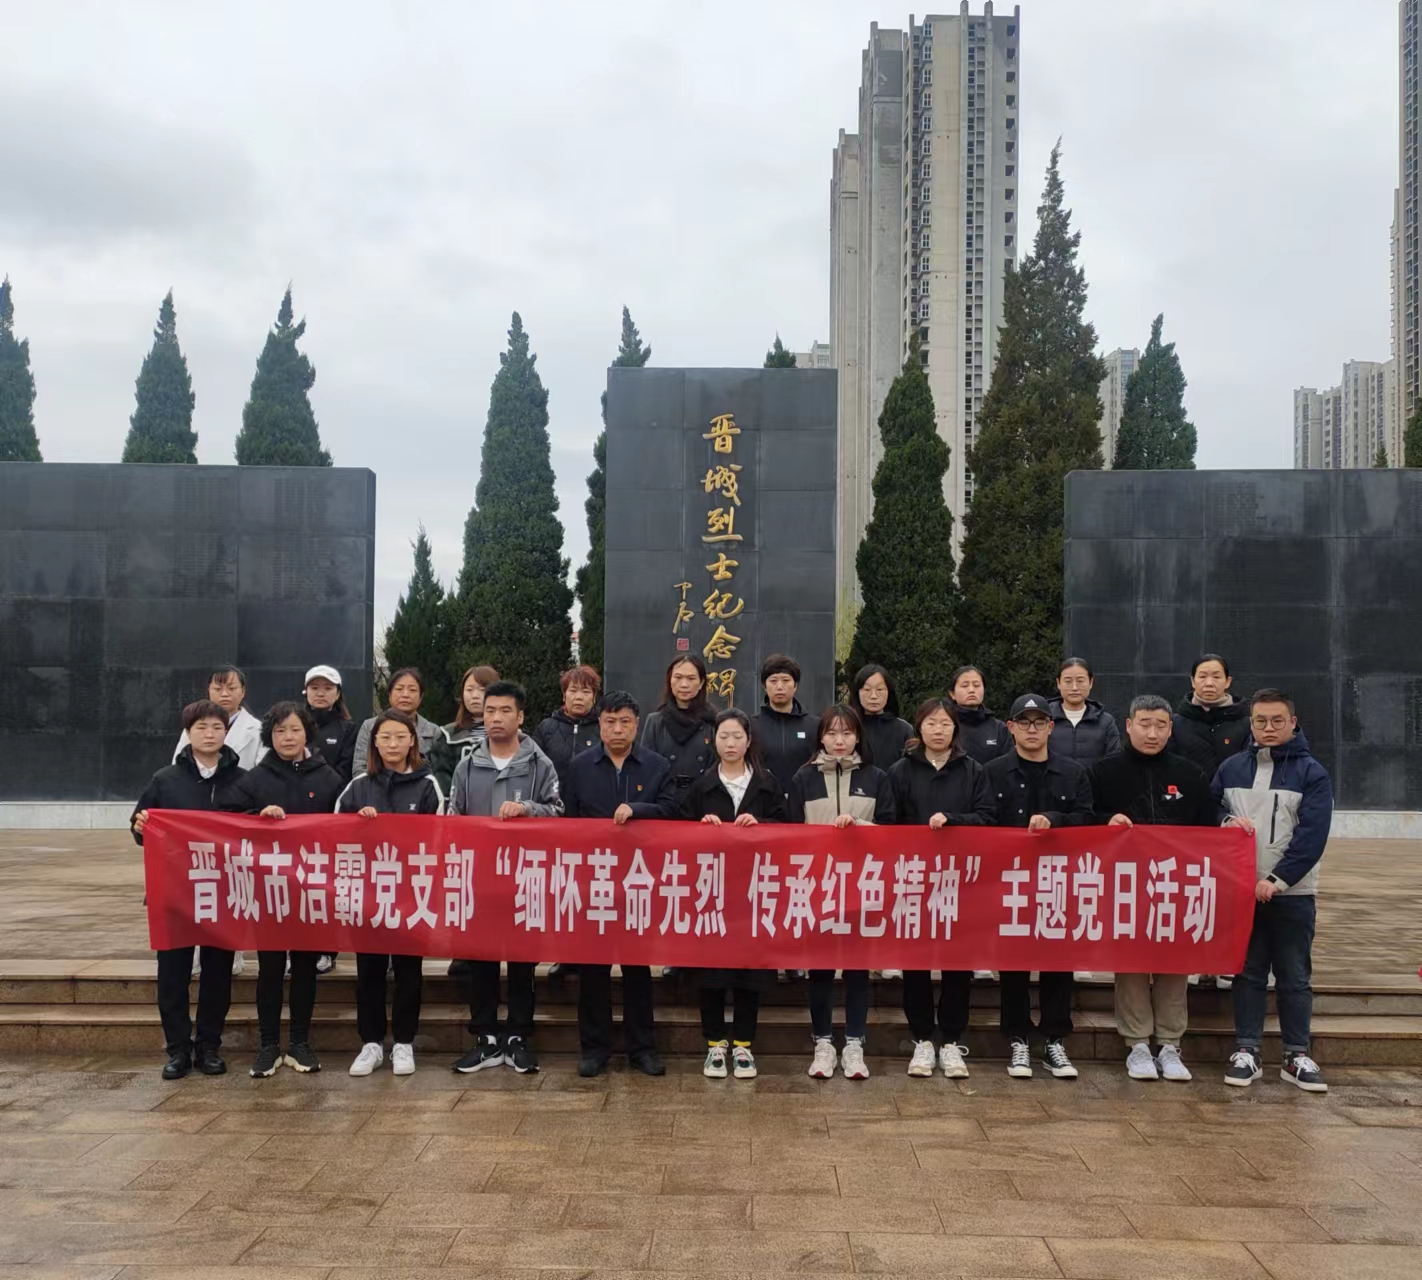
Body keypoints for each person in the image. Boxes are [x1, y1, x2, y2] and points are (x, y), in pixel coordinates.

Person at [1089, 695, 1222, 1083]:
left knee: (1173, 962)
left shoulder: (1190, 773)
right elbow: (1083, 819)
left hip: (1174, 884)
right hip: (1124, 885)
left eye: (1160, 726)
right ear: (1128, 725)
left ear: (1170, 729)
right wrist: (1105, 821)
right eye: (1144, 724)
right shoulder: (1102, 772)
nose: (1152, 733)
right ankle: (1137, 1044)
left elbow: (1209, 829)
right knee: (1131, 963)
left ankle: (1169, 1043)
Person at [1214, 689, 1333, 1094]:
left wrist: (1277, 880)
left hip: (1292, 894)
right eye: (1260, 721)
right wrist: (1226, 821)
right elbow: (1209, 809)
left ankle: (1296, 1054)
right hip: (1240, 891)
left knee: (1294, 975)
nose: (1268, 728)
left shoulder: (1311, 773)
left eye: (1277, 720)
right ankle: (1246, 1049)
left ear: (1293, 723)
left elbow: (1312, 836)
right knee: (1247, 973)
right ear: (1250, 724)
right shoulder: (1231, 768)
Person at [218, 701, 345, 1077]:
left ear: (307, 733)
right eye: (279, 731)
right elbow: (228, 821)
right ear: (269, 736)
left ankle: (301, 1043)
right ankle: (268, 1045)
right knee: (270, 969)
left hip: (311, 888)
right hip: (269, 889)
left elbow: (344, 825)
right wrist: (258, 818)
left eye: (294, 730)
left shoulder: (328, 778)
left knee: (305, 967)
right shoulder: (255, 778)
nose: (288, 737)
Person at [447, 680, 562, 1075]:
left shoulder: (539, 764)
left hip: (524, 878)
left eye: (505, 711)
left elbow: (558, 811)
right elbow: (453, 819)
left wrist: (528, 809)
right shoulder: (467, 765)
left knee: (522, 962)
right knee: (480, 960)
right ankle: (485, 1038)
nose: (496, 718)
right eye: (490, 711)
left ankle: (518, 1037)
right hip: (480, 879)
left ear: (521, 716)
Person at [563, 690, 678, 1077]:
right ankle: (595, 1048)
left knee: (637, 971)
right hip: (593, 881)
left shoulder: (656, 765)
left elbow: (672, 810)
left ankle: (642, 1048)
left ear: (637, 725)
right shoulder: (579, 766)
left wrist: (637, 810)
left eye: (625, 722)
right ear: (599, 725)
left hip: (638, 882)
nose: (617, 729)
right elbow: (567, 823)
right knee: (593, 971)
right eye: (610, 722)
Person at [132, 699, 246, 1080]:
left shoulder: (243, 780)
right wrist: (139, 826)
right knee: (173, 974)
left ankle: (209, 1047)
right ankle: (178, 1049)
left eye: (217, 727)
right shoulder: (165, 779)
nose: (209, 734)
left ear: (226, 732)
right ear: (188, 733)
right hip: (175, 892)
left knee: (218, 973)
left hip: (223, 891)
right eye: (201, 727)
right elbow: (140, 827)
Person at [986, 693, 1094, 1081]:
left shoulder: (1073, 772)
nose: (1031, 729)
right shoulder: (993, 772)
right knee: (1012, 963)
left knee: (1057, 963)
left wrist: (1054, 820)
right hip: (1009, 881)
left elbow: (1087, 819)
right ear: (1010, 727)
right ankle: (1018, 1038)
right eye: (1023, 722)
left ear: (1051, 727)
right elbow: (983, 821)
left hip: (1058, 881)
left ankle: (1054, 1039)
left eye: (1039, 722)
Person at [887, 699, 995, 1080]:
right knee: (915, 963)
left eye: (945, 723)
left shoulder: (973, 770)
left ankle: (950, 1040)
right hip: (914, 879)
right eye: (931, 723)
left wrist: (953, 820)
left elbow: (988, 818)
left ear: (955, 729)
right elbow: (888, 822)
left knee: (957, 963)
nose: (938, 730)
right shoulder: (901, 771)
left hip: (959, 880)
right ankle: (922, 1038)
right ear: (919, 728)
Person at [788, 704, 896, 1080]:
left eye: (847, 733)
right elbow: (789, 832)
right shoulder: (804, 778)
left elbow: (892, 829)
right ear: (820, 737)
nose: (839, 740)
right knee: (819, 969)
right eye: (832, 733)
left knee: (857, 969)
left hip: (862, 885)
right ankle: (822, 1043)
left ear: (857, 737)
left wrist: (861, 826)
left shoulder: (876, 777)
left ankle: (854, 1043)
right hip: (818, 885)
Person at [679, 708, 786, 1081]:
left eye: (737, 736)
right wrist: (701, 827)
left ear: (748, 740)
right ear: (714, 741)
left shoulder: (767, 784)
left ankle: (743, 1046)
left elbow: (788, 829)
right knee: (710, 972)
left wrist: (762, 825)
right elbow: (679, 834)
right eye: (724, 736)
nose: (730, 743)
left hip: (754, 893)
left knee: (749, 973)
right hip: (711, 893)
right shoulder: (702, 786)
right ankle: (714, 1045)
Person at [336, 710, 443, 1078]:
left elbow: (439, 838)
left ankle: (403, 1042)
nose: (393, 744)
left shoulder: (428, 786)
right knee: (369, 971)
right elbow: (333, 835)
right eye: (385, 737)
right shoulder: (357, 786)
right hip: (368, 894)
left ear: (413, 741)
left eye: (400, 736)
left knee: (408, 971)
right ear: (375, 743)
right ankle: (370, 1043)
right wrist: (358, 826)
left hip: (411, 894)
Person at [1172, 653, 1252, 991]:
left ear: (1228, 681)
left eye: (1216, 676)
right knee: (1189, 891)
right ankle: (1192, 960)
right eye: (1202, 676)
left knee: (1228, 894)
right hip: (1188, 820)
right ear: (1192, 680)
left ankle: (1225, 961)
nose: (1209, 682)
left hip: (1232, 820)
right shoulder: (1176, 721)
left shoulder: (1246, 722)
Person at [639, 654, 717, 796]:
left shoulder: (713, 722)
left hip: (702, 799)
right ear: (669, 680)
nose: (684, 684)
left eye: (691, 678)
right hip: (664, 798)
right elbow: (647, 766)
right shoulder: (655, 722)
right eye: (678, 677)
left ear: (701, 683)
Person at [750, 653, 818, 797]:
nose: (780, 686)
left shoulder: (814, 725)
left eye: (786, 680)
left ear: (795, 685)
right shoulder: (752, 726)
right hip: (763, 800)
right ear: (764, 686)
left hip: (804, 799)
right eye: (773, 681)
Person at [352, 667, 442, 776]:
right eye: (399, 689)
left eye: (412, 690)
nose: (405, 695)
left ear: (420, 697)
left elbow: (438, 772)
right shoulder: (369, 726)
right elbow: (359, 769)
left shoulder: (433, 731)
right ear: (389, 695)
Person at [173, 665, 265, 770]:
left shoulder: (258, 730)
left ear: (243, 691)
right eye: (218, 689)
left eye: (231, 688)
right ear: (209, 690)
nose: (225, 694)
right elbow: (177, 766)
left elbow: (262, 773)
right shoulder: (194, 725)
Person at [431, 665, 500, 797]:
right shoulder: (447, 736)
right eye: (469, 690)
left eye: (482, 690)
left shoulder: (510, 735)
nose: (475, 696)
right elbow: (441, 779)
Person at [533, 664, 602, 792]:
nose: (579, 697)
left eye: (586, 691)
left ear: (594, 697)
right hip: (553, 799)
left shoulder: (603, 728)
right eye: (573, 691)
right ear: (564, 695)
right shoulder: (546, 728)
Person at [1048, 657, 1120, 766]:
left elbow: (1114, 760)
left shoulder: (1106, 722)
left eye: (1080, 681)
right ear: (1058, 683)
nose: (1074, 687)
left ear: (1090, 682)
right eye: (1068, 681)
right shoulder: (1045, 719)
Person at [848, 664, 913, 770]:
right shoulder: (849, 727)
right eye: (867, 690)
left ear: (889, 692)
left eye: (880, 689)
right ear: (857, 693)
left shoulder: (903, 729)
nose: (873, 696)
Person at [303, 665, 359, 783]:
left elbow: (345, 772)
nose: (320, 694)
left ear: (338, 694)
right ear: (306, 691)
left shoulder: (349, 730)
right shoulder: (295, 725)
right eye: (314, 688)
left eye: (328, 688)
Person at [949, 665, 1011, 765]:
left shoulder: (999, 728)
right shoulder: (946, 726)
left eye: (976, 685)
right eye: (965, 686)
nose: (971, 690)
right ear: (952, 694)